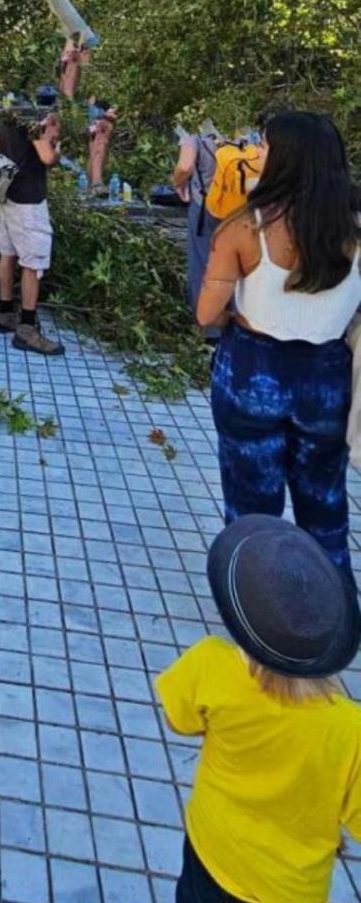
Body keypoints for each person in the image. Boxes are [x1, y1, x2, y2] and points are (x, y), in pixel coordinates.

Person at [158, 514, 361, 903]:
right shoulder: (350, 728)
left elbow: (178, 718)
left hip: (213, 853)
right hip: (290, 895)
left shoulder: (211, 664)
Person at [197, 111, 361, 580]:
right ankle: (329, 621)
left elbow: (206, 313)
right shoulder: (353, 227)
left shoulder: (244, 228)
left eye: (264, 146)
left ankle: (262, 625)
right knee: (324, 504)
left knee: (252, 506)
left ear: (287, 158)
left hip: (253, 371)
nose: (257, 154)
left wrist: (234, 315)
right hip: (327, 379)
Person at [0, 99, 64, 356]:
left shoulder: (0, 111)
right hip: (30, 200)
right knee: (33, 263)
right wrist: (55, 141)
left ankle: (5, 314)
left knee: (8, 253)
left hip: (7, 193)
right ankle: (27, 330)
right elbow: (47, 157)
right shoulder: (34, 117)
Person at [172, 125, 222, 326]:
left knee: (201, 266)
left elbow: (185, 166)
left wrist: (176, 183)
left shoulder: (195, 134)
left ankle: (207, 326)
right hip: (240, 210)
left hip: (205, 208)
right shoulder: (241, 131)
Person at [86, 98, 116, 190]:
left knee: (101, 147)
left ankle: (94, 183)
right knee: (98, 143)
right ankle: (96, 183)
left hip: (101, 109)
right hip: (97, 113)